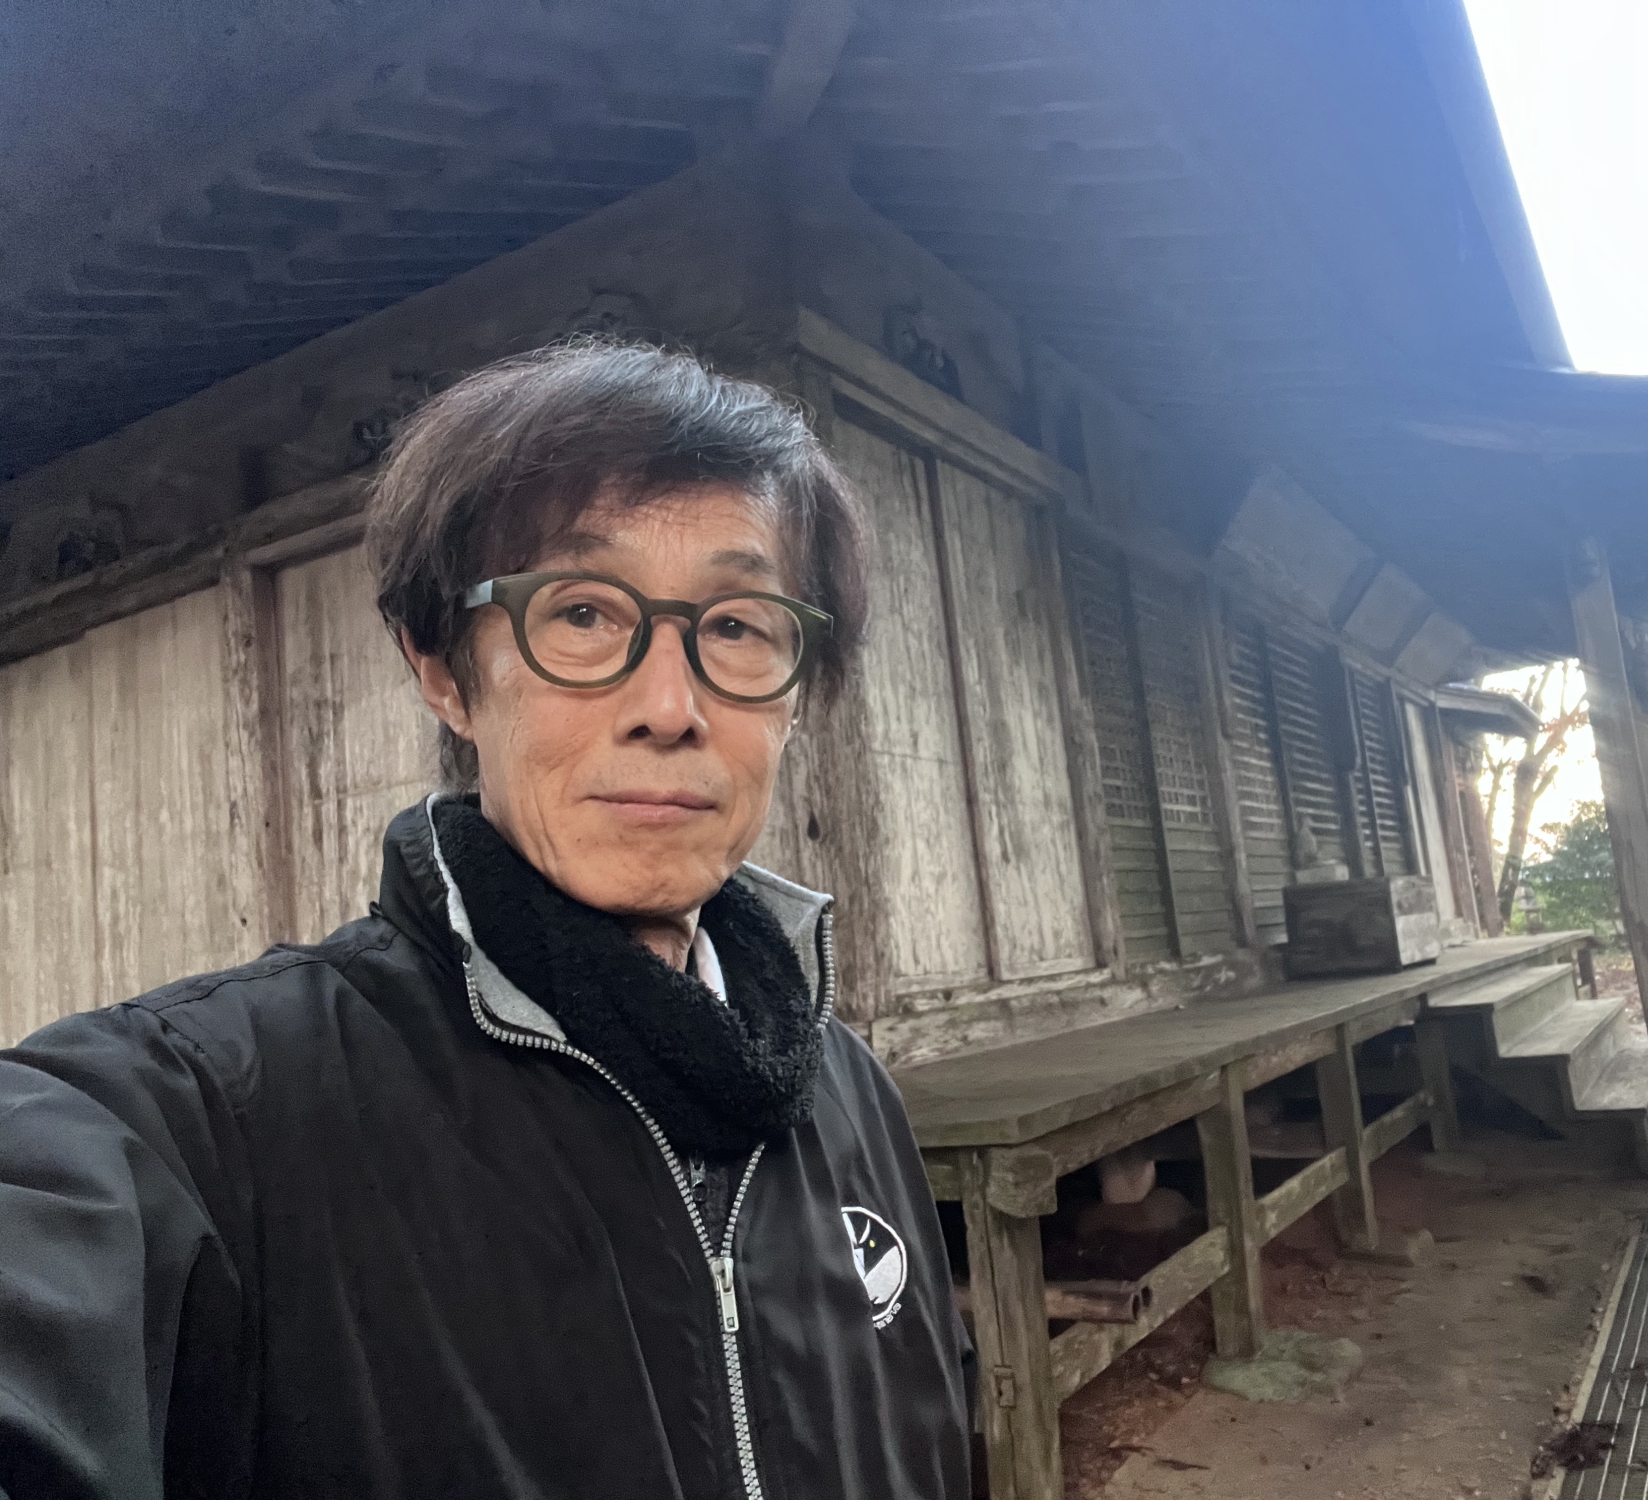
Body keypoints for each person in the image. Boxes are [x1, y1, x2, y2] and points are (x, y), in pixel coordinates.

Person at [0, 342, 974, 1499]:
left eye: (736, 626)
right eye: (581, 612)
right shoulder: (205, 1121)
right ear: (444, 673)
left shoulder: (848, 1092)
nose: (670, 707)